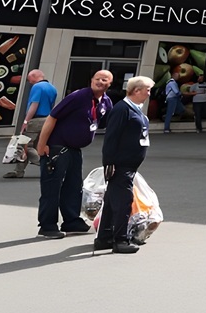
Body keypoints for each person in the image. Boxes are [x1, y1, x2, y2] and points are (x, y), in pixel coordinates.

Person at [33, 70, 113, 238]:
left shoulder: (105, 102)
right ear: (91, 80)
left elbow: (107, 122)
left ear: (109, 84)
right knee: (52, 187)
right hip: (57, 147)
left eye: (104, 80)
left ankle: (71, 221)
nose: (100, 81)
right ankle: (47, 225)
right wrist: (42, 145)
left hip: (75, 149)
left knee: (73, 186)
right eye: (97, 78)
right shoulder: (79, 96)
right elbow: (52, 117)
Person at [96, 76, 151, 254]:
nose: (149, 94)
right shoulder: (122, 109)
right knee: (123, 202)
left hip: (129, 165)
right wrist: (109, 162)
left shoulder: (135, 109)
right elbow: (111, 137)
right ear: (136, 91)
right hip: (121, 165)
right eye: (147, 90)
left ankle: (104, 237)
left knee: (113, 201)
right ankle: (120, 240)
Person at [3, 69, 55, 179]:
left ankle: (46, 165)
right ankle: (19, 171)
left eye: (29, 79)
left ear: (35, 76)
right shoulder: (52, 88)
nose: (29, 81)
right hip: (47, 119)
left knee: (24, 144)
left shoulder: (37, 87)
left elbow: (34, 104)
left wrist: (26, 121)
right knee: (36, 145)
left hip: (36, 120)